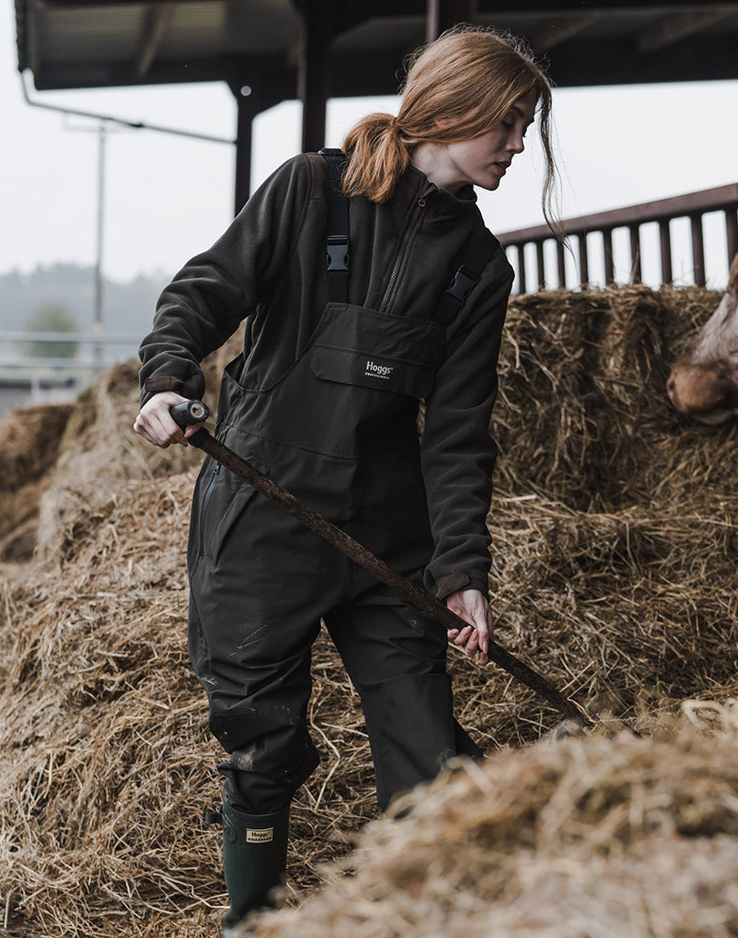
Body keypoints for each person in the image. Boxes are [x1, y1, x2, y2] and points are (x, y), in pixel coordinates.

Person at [134, 24, 558, 936]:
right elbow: (205, 291)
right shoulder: (309, 191)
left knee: (427, 747)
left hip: (384, 539)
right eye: (512, 124)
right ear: (456, 110)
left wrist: (463, 574)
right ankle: (252, 919)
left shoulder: (480, 266)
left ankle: (428, 915)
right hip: (263, 517)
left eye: (527, 128)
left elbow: (455, 433)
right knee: (263, 742)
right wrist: (169, 378)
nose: (520, 146)